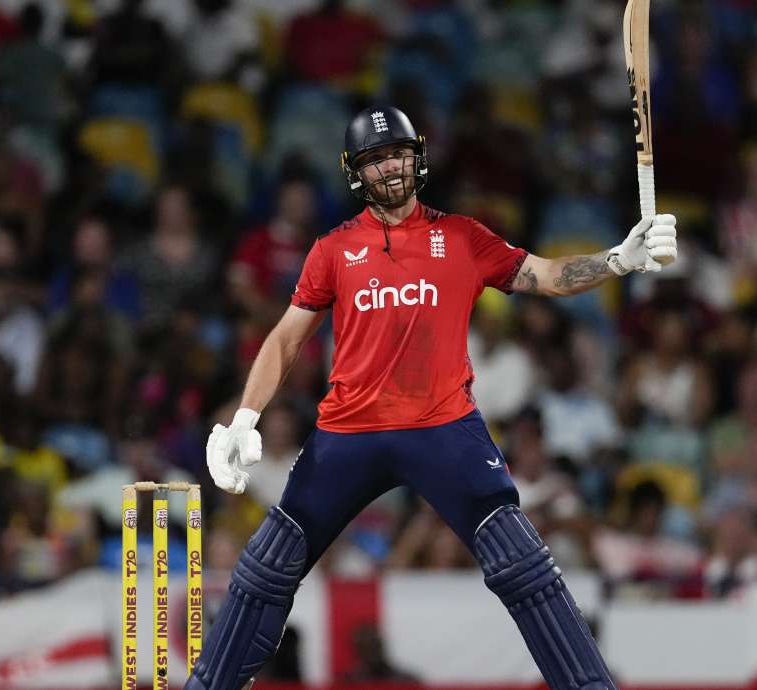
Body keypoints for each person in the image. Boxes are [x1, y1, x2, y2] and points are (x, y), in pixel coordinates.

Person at [188, 105, 677, 690]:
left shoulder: (462, 237)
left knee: (523, 567)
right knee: (266, 569)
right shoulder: (333, 249)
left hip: (443, 425)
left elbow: (546, 276)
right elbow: (287, 337)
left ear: (417, 157)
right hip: (350, 430)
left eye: (397, 153)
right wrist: (245, 417)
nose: (389, 167)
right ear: (355, 173)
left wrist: (619, 259)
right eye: (375, 159)